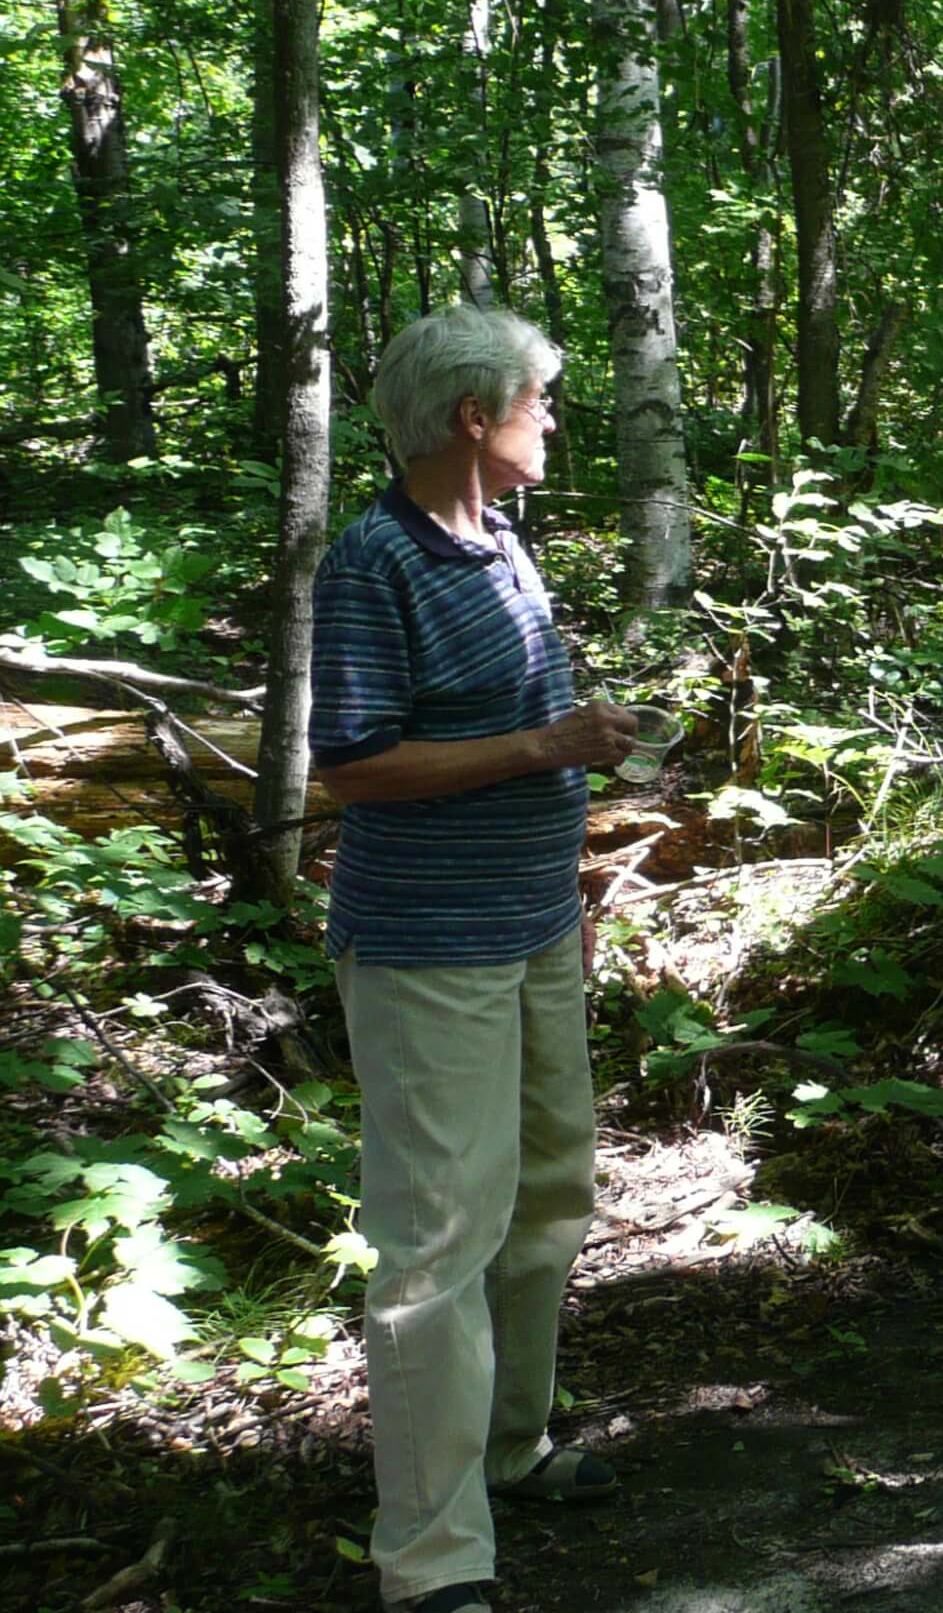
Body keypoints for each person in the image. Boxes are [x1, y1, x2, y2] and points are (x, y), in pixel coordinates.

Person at [308, 305, 641, 1613]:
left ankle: (513, 1445)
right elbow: (354, 763)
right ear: (469, 416)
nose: (552, 418)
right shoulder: (371, 564)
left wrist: (561, 798)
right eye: (538, 398)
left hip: (531, 927)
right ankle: (432, 1555)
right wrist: (547, 750)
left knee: (550, 1196)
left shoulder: (499, 537)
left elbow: (517, 721)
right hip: (426, 950)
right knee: (437, 1238)